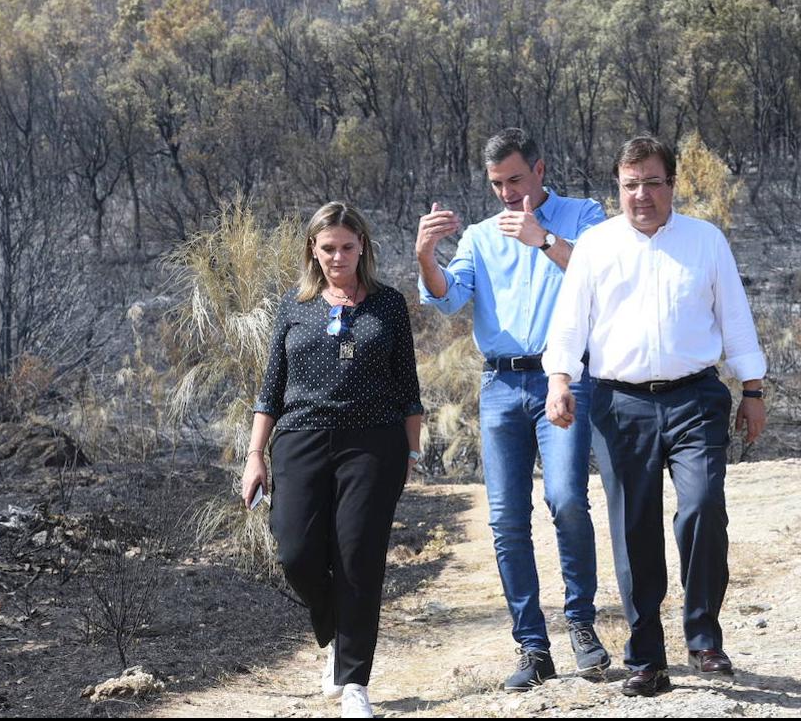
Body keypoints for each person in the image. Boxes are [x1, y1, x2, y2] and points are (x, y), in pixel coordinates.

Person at [543, 135, 767, 698]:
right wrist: (560, 380)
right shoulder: (595, 246)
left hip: (696, 397)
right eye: (630, 184)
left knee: (702, 507)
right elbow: (570, 322)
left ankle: (703, 637)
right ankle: (647, 656)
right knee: (633, 528)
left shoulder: (705, 241)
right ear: (617, 187)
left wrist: (754, 388)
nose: (641, 194)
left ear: (672, 183)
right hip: (622, 404)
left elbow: (735, 317)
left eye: (652, 182)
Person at [416, 128, 611, 690]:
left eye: (515, 179)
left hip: (565, 378)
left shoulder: (583, 215)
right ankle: (532, 645)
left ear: (540, 169)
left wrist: (541, 238)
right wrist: (427, 255)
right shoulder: (478, 236)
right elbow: (450, 298)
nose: (506, 192)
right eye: (497, 183)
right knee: (505, 519)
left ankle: (581, 624)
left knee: (568, 499)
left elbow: (603, 279)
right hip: (500, 388)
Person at [241, 202, 423, 719]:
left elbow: (408, 388)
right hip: (299, 440)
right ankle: (335, 635)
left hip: (373, 444)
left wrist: (410, 451)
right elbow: (270, 389)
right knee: (295, 553)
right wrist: (256, 455)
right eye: (327, 248)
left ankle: (354, 682)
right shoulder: (293, 306)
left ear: (362, 245)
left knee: (358, 558)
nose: (337, 257)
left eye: (346, 246)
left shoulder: (387, 305)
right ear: (312, 251)